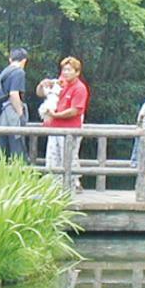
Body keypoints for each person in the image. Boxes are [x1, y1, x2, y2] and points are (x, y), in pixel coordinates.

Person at [45, 56, 90, 189]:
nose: (65, 73)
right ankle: (54, 187)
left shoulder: (80, 88)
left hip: (70, 129)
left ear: (77, 72)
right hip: (54, 128)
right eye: (64, 70)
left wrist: (56, 115)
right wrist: (43, 85)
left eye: (69, 70)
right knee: (53, 158)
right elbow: (42, 93)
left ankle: (72, 185)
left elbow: (75, 110)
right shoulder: (60, 84)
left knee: (68, 158)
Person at [0, 47, 29, 159]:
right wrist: (20, 114)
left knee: (2, 147)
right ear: (24, 60)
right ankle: (19, 167)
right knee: (17, 147)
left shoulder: (5, 72)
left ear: (10, 59)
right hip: (11, 113)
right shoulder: (19, 72)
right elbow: (14, 94)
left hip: (1, 113)